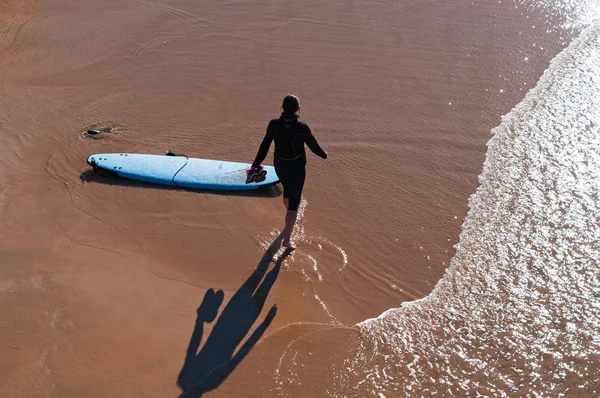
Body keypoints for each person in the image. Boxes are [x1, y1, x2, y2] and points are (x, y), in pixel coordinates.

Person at [250, 94, 328, 250]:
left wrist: (255, 164)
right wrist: (324, 154)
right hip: (297, 168)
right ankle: (287, 239)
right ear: (298, 109)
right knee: (295, 201)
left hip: (280, 165)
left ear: (282, 108)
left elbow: (264, 146)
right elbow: (313, 147)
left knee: (287, 192)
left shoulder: (273, 125)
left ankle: (289, 218)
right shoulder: (302, 128)